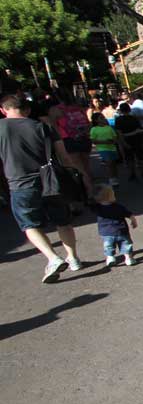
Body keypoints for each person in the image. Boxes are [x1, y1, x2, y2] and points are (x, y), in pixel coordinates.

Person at [0, 95, 82, 283]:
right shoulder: (44, 127)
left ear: (3, 110)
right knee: (63, 221)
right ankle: (73, 258)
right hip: (51, 181)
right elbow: (64, 156)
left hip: (19, 184)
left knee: (29, 225)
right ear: (27, 110)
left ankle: (53, 258)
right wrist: (76, 175)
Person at [51, 92, 94, 194]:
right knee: (86, 167)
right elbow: (88, 123)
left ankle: (90, 193)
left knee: (79, 168)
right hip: (84, 139)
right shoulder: (78, 108)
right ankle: (93, 189)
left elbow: (54, 128)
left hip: (68, 140)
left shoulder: (55, 110)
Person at [90, 184, 137, 267]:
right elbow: (129, 214)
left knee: (109, 246)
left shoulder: (97, 208)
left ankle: (110, 258)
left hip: (106, 233)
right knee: (126, 245)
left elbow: (89, 204)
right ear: (112, 196)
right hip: (121, 231)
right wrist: (133, 221)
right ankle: (129, 258)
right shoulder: (119, 207)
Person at [115, 102, 143, 180]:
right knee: (140, 157)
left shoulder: (118, 120)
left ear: (121, 110)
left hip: (126, 140)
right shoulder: (134, 118)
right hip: (137, 139)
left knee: (129, 158)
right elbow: (140, 129)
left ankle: (132, 173)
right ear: (129, 109)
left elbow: (119, 133)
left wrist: (123, 142)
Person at [89, 113, 120, 185]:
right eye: (101, 118)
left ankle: (115, 176)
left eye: (103, 117)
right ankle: (111, 178)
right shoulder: (94, 129)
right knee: (109, 163)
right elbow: (93, 140)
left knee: (113, 163)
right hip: (102, 149)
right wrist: (104, 142)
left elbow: (115, 137)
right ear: (96, 120)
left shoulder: (109, 128)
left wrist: (113, 141)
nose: (103, 119)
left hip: (112, 148)